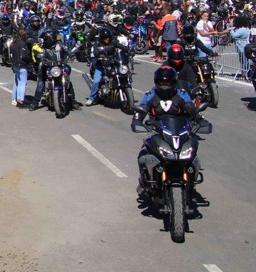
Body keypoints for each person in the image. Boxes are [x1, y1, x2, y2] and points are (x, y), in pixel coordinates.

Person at [133, 65, 199, 193]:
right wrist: (137, 120)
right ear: (157, 82)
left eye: (168, 83)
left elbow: (191, 109)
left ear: (174, 82)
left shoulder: (181, 94)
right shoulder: (150, 95)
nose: (165, 86)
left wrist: (199, 119)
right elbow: (141, 111)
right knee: (142, 156)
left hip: (179, 131)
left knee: (193, 154)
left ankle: (192, 180)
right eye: (162, 83)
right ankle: (145, 181)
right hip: (157, 132)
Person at [85, 28, 123, 107]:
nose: (107, 39)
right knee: (96, 81)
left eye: (108, 37)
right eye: (106, 38)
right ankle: (91, 98)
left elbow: (122, 46)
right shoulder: (98, 43)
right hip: (101, 64)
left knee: (122, 73)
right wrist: (99, 54)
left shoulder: (113, 42)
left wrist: (129, 50)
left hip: (112, 63)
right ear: (102, 38)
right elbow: (95, 52)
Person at [10, 28, 30, 107]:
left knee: (17, 83)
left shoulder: (13, 43)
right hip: (21, 65)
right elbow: (24, 55)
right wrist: (29, 59)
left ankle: (16, 99)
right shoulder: (22, 43)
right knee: (22, 83)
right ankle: (20, 100)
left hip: (15, 65)